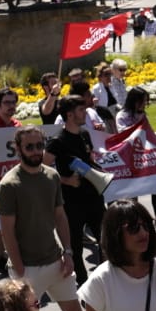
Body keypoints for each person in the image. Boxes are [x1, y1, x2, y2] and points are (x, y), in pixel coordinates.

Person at [0, 126, 84, 311]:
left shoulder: (52, 176)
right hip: (27, 269)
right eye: (29, 147)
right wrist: (20, 270)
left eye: (39, 146)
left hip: (56, 263)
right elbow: (6, 231)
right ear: (18, 149)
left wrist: (68, 252)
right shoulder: (9, 185)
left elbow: (60, 216)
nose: (36, 151)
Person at [43, 96, 106, 286]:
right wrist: (66, 180)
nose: (85, 113)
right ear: (69, 115)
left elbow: (89, 159)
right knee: (75, 247)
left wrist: (100, 173)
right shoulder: (57, 141)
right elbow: (41, 169)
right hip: (71, 202)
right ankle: (83, 283)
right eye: (81, 110)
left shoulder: (85, 135)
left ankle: (105, 280)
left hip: (94, 196)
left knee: (105, 241)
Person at [116, 87, 156, 230]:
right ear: (134, 101)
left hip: (146, 155)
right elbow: (124, 135)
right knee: (134, 191)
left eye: (146, 102)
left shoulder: (142, 114)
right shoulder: (122, 116)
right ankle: (135, 222)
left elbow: (148, 131)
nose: (144, 105)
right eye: (142, 102)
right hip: (131, 158)